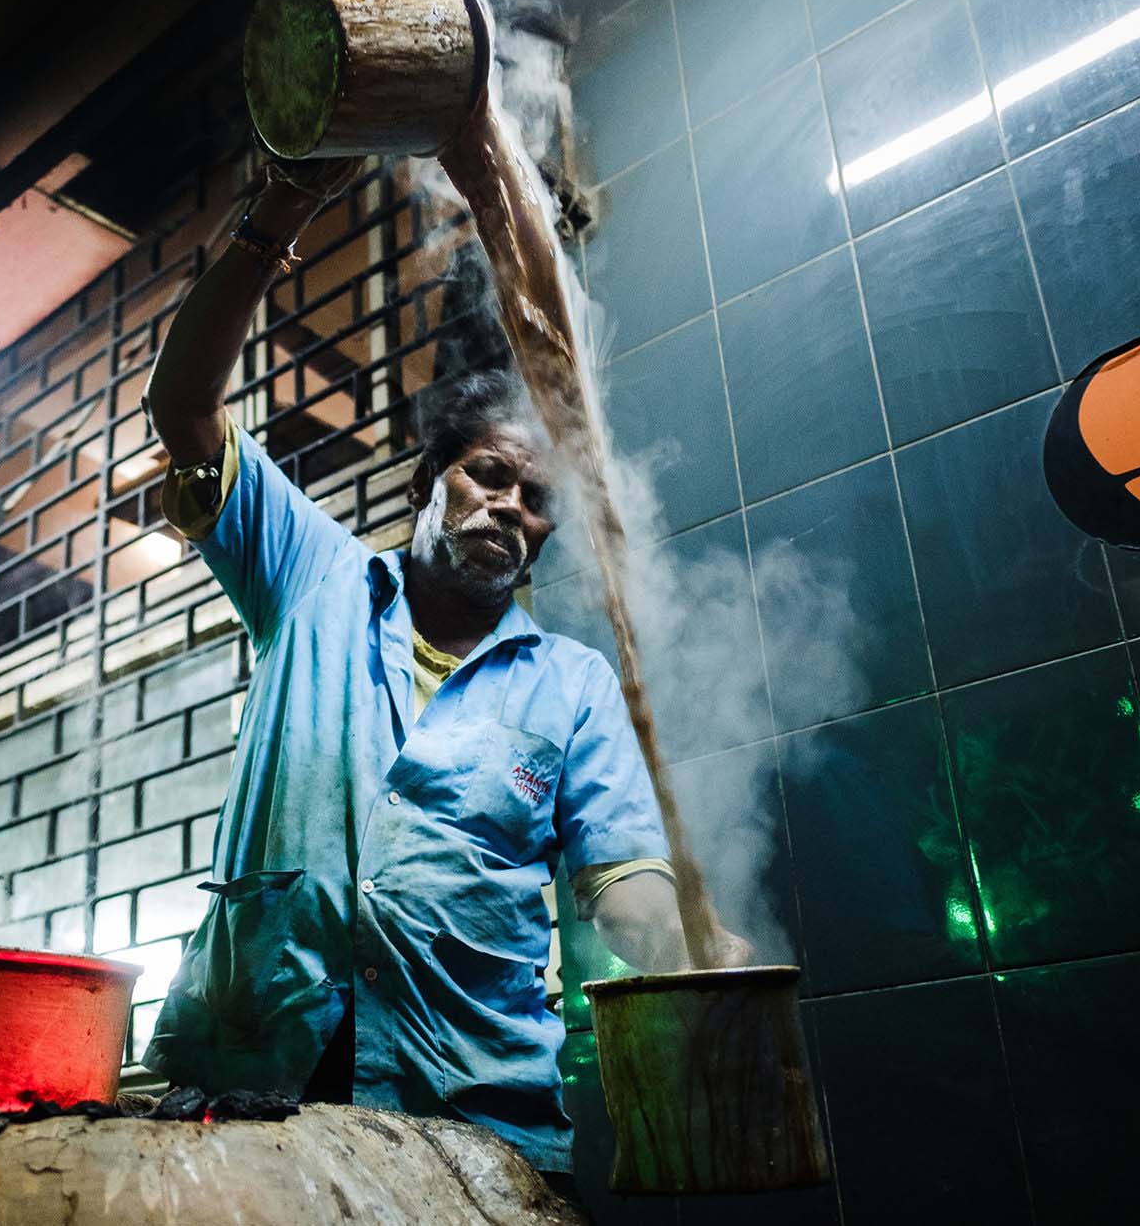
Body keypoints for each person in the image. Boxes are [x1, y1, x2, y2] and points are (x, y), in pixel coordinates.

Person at [140, 156, 746, 1187]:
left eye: (538, 497)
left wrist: (696, 944)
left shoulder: (570, 684)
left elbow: (617, 877)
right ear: (426, 483)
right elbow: (183, 402)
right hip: (248, 1094)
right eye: (488, 474)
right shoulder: (308, 576)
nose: (513, 505)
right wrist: (275, 214)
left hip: (470, 1124)